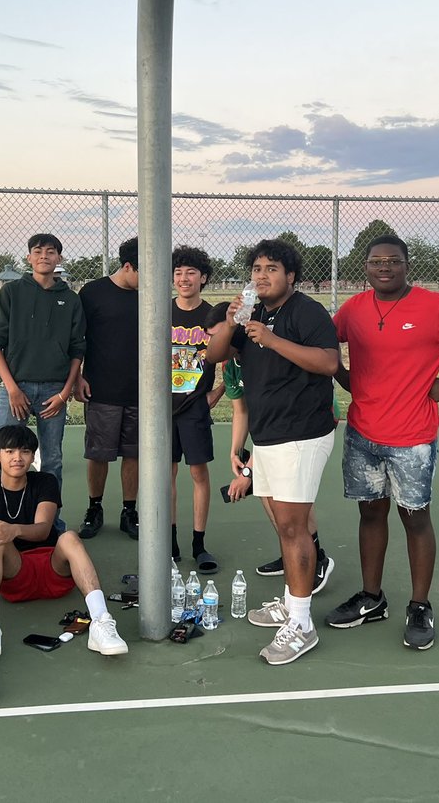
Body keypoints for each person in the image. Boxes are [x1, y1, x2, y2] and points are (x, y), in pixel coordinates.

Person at [325, 234, 439, 650]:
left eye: (393, 261)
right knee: (370, 514)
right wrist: (346, 379)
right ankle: (372, 597)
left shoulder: (435, 307)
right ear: (364, 267)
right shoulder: (354, 309)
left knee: (415, 519)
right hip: (364, 431)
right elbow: (326, 344)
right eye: (375, 261)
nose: (384, 268)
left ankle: (419, 605)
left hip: (412, 437)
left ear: (407, 265)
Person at [206, 239, 340, 666]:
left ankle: (301, 623)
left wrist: (272, 338)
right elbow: (213, 355)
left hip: (300, 434)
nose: (262, 276)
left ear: (291, 276)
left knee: (292, 528)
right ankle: (290, 602)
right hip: (268, 434)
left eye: (272, 269)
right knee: (280, 522)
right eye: (257, 269)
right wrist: (230, 322)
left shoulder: (307, 312)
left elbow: (328, 363)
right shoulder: (253, 313)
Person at [0, 426, 129, 657]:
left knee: (70, 537)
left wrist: (12, 529)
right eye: (10, 451)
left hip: (54, 571)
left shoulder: (45, 482)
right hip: (15, 574)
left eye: (24, 452)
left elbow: (43, 530)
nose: (17, 458)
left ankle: (101, 623)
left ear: (33, 457)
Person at [210, 303, 334, 593]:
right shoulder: (233, 364)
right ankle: (293, 556)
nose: (217, 341)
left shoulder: (267, 346)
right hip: (268, 435)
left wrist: (249, 470)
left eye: (220, 334)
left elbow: (320, 383)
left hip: (302, 430)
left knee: (291, 509)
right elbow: (242, 411)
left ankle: (316, 560)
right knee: (271, 500)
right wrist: (235, 451)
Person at [0, 232, 85, 494]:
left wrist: (65, 393)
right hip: (15, 388)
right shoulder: (12, 292)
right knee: (4, 457)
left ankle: (49, 518)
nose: (44, 256)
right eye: (38, 251)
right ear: (29, 258)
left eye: (50, 252)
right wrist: (12, 389)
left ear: (59, 258)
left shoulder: (71, 299)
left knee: (51, 459)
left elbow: (77, 348)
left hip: (54, 392)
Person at [75, 236, 140, 540]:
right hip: (101, 388)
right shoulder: (93, 293)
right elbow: (76, 340)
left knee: (135, 453)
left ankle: (130, 511)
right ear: (128, 266)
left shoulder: (150, 293)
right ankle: (95, 507)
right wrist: (77, 376)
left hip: (142, 393)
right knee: (99, 453)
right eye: (144, 270)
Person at [169, 245, 220, 572]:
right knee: (165, 474)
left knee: (198, 473)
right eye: (178, 273)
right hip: (162, 408)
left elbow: (232, 363)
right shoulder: (160, 310)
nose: (184, 279)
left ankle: (198, 544)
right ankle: (169, 541)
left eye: (190, 272)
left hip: (194, 408)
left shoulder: (212, 316)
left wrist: (213, 396)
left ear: (203, 277)